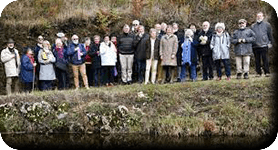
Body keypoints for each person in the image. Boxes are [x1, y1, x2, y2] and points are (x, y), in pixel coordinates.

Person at [251, 12, 273, 77]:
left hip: (264, 45)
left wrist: (270, 43)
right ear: (256, 17)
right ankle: (258, 73)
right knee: (257, 60)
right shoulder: (253, 26)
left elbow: (270, 34)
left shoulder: (267, 25)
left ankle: (267, 72)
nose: (259, 17)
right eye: (258, 16)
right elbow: (251, 36)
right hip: (255, 46)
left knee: (265, 59)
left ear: (263, 17)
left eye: (260, 16)